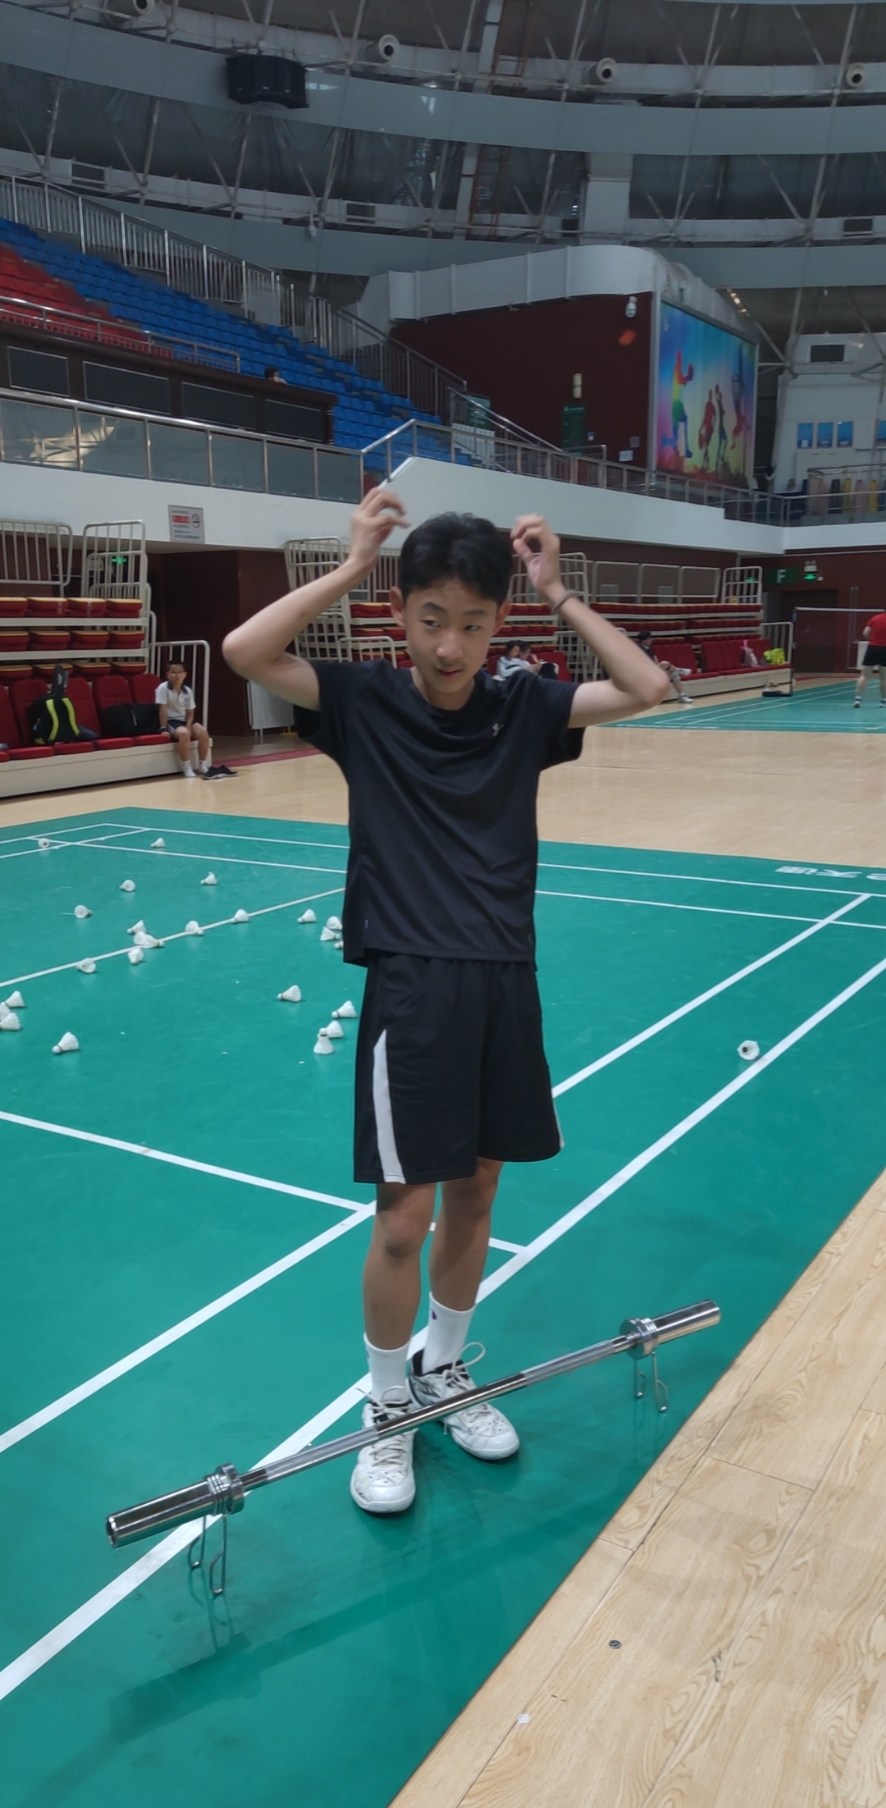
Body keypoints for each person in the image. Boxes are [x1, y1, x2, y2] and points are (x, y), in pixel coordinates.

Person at [222, 493, 667, 1517]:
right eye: (431, 619)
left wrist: (556, 588)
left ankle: (443, 1370)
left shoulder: (525, 706)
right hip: (414, 987)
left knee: (478, 1195)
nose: (451, 644)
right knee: (403, 1218)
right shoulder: (361, 700)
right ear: (400, 613)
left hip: (505, 977)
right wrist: (350, 564)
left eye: (472, 622)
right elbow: (246, 650)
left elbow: (647, 686)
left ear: (499, 621)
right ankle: (385, 1407)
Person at [155, 660, 212, 778]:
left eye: (180, 672)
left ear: (184, 674)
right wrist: (163, 728)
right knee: (184, 734)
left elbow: (190, 713)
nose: (177, 675)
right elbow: (162, 710)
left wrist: (189, 725)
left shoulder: (188, 691)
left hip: (184, 719)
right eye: (173, 672)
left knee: (203, 733)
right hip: (172, 720)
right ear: (168, 675)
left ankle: (202, 765)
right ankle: (187, 767)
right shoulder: (163, 688)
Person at [635, 628, 693, 705]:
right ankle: (678, 670)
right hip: (644, 673)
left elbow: (656, 662)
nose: (651, 640)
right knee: (664, 663)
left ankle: (681, 695)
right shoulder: (638, 650)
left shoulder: (650, 649)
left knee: (673, 673)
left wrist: (662, 670)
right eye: (649, 638)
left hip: (653, 670)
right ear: (643, 640)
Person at [855, 612, 886, 708]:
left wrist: (872, 639)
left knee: (864, 675)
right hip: (884, 649)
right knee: (884, 677)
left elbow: (865, 633)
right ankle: (883, 701)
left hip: (872, 648)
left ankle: (857, 699)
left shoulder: (874, 618)